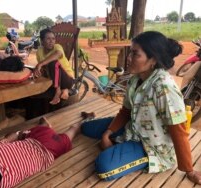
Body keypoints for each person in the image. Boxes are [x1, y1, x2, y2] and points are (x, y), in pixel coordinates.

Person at [81, 31, 201, 184]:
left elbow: (178, 130)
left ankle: (126, 150)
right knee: (87, 128)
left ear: (153, 60)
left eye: (135, 54)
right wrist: (107, 134)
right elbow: (126, 111)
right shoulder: (135, 79)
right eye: (130, 52)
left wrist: (189, 170)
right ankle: (117, 142)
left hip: (151, 145)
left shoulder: (164, 88)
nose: (128, 58)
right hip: (133, 127)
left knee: (103, 167)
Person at [0, 117, 81, 188]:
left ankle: (76, 126)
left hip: (50, 150)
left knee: (69, 135)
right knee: (26, 133)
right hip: (35, 138)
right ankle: (45, 126)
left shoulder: (4, 184)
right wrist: (18, 135)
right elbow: (10, 137)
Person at [34, 28, 74, 105]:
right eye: (48, 39)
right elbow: (42, 68)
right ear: (42, 41)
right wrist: (38, 70)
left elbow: (58, 54)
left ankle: (58, 91)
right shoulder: (39, 51)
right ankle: (65, 90)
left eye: (53, 38)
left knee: (53, 63)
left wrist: (41, 63)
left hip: (67, 79)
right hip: (54, 79)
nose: (51, 41)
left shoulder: (57, 47)